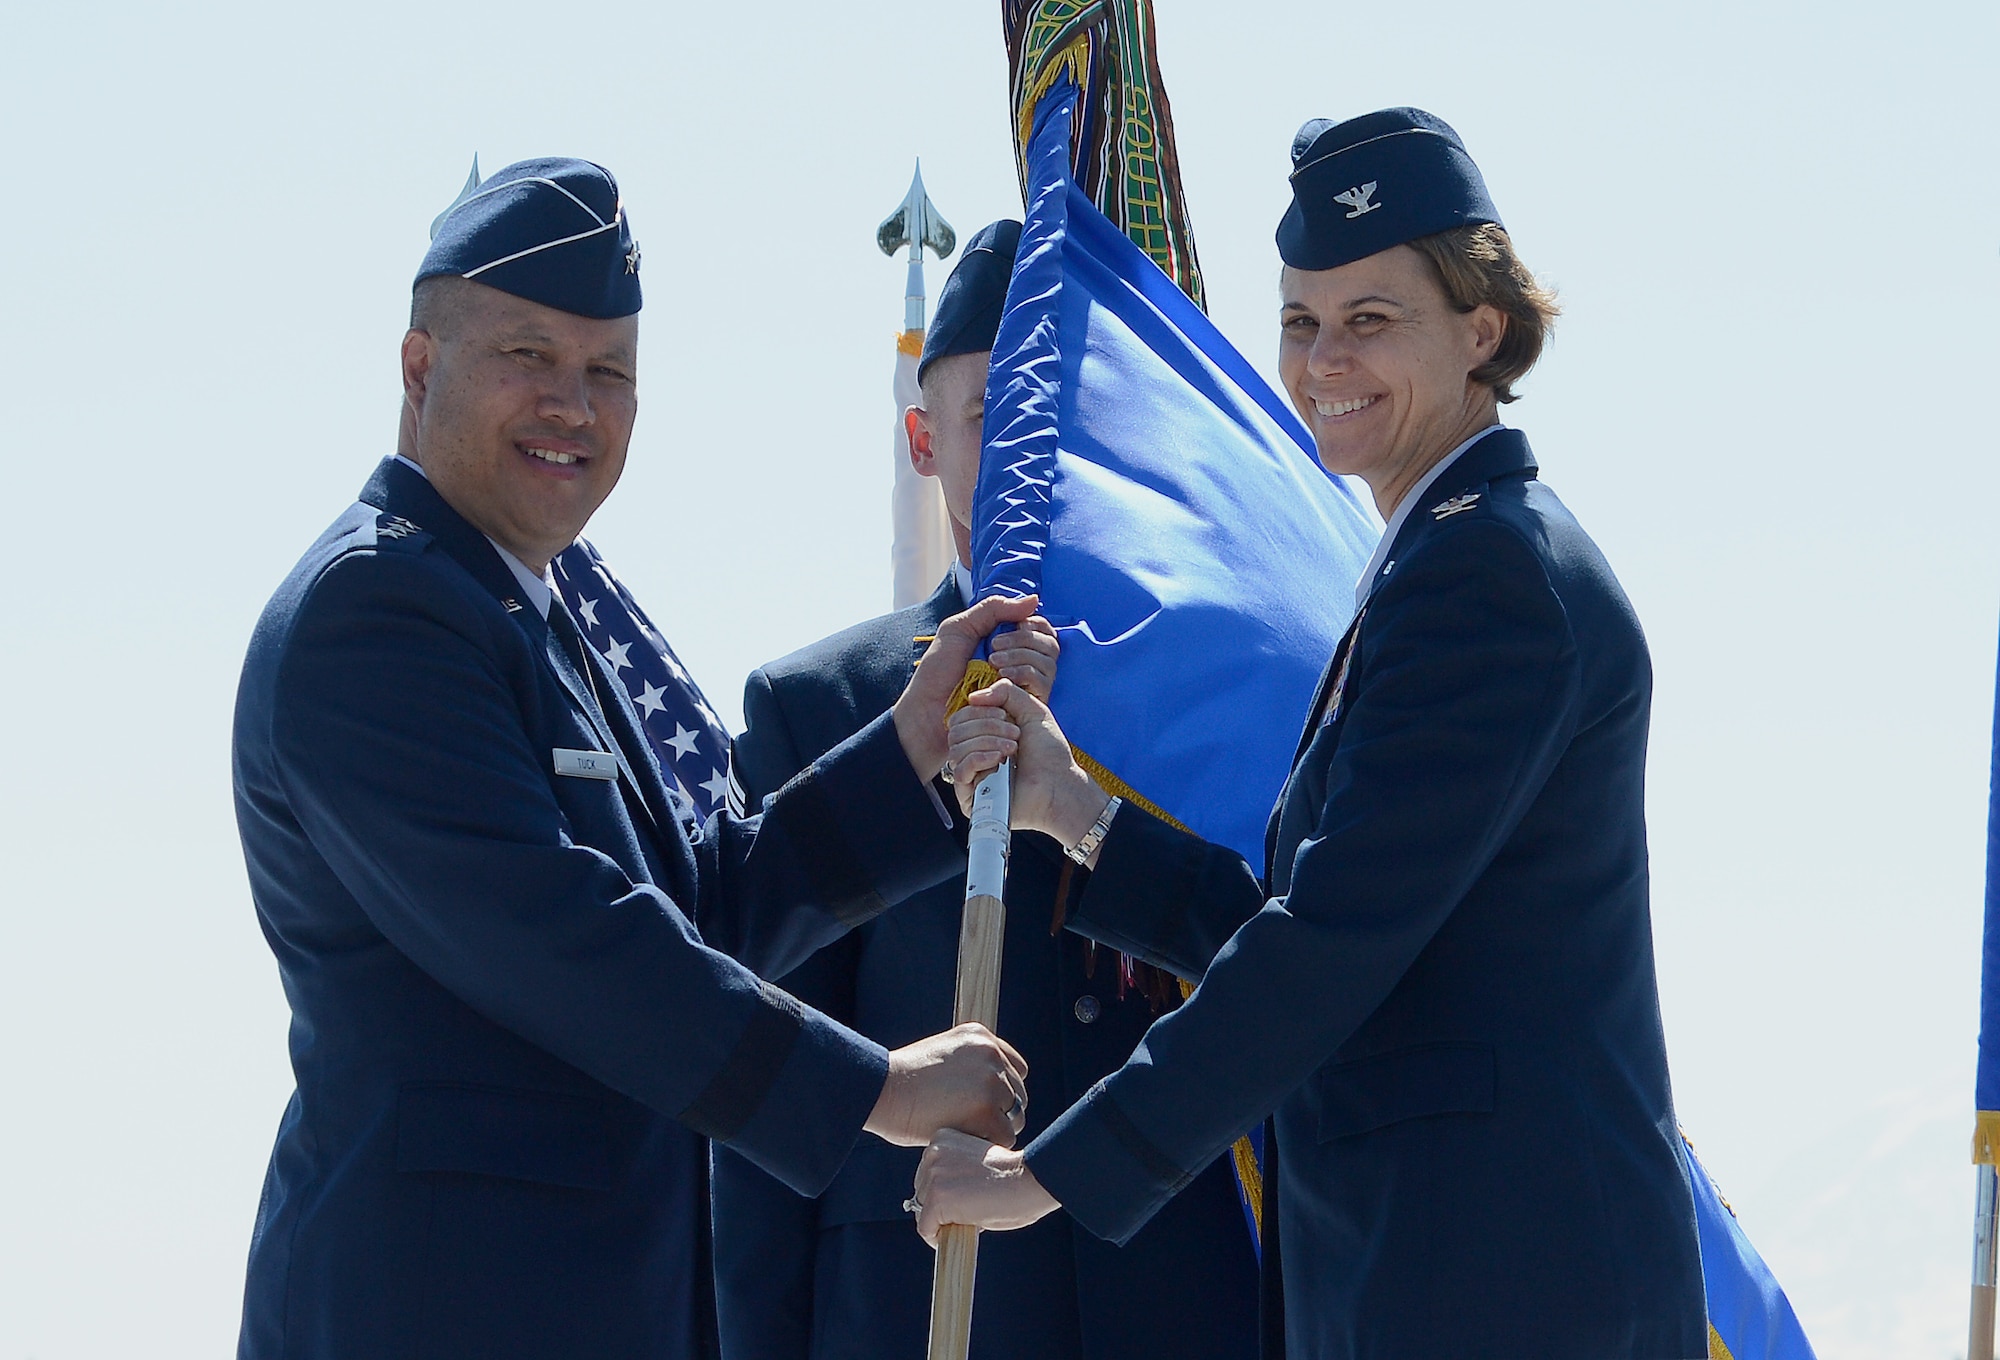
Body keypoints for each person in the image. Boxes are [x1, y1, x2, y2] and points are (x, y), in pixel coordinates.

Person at [917, 110, 1710, 1358]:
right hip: (1428, 1281)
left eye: (1369, 320)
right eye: (1299, 322)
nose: (1322, 358)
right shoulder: (1439, 561)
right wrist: (1080, 813)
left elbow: (1329, 943)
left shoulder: (1487, 576)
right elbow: (1316, 922)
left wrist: (1047, 1175)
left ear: (1482, 330)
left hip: (1499, 1291)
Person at [231, 157, 1037, 1360]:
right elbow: (575, 944)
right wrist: (880, 1091)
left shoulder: (533, 618)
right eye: (529, 357)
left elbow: (698, 911)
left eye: (608, 370)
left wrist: (908, 751)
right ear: (418, 368)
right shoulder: (379, 611)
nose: (574, 403)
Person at [709, 219, 1259, 1360]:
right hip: (920, 1308)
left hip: (1184, 1303)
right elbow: (757, 1098)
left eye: (1060, 414)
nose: (1028, 454)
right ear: (922, 437)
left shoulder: (1220, 694)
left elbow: (1286, 974)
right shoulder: (818, 705)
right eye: (986, 417)